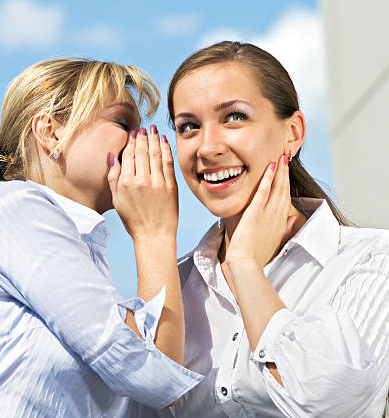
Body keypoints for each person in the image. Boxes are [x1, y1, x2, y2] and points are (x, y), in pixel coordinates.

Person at [0, 58, 202, 417]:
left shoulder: (78, 249)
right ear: (51, 132)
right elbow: (153, 375)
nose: (139, 142)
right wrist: (154, 233)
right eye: (122, 123)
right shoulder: (17, 209)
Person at [164, 41, 389, 417]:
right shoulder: (177, 286)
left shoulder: (370, 261)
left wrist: (246, 267)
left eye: (234, 117)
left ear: (293, 133)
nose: (207, 146)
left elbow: (331, 407)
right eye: (189, 126)